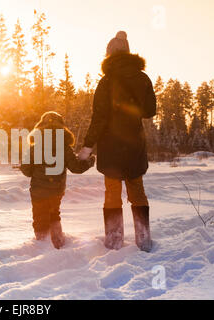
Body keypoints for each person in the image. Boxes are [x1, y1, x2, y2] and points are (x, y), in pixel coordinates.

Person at [78, 31, 157, 252]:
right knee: (137, 190)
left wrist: (87, 145)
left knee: (112, 193)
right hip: (134, 143)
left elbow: (100, 117)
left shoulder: (106, 82)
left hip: (111, 146)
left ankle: (114, 241)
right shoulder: (143, 78)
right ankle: (143, 240)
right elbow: (150, 110)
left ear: (109, 54)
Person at [20, 111, 95, 249]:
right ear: (62, 128)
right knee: (54, 214)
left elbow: (25, 170)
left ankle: (42, 245)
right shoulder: (65, 148)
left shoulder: (35, 147)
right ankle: (57, 244)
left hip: (38, 191)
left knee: (39, 217)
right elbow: (76, 168)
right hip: (56, 190)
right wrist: (89, 161)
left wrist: (34, 170)